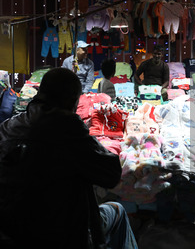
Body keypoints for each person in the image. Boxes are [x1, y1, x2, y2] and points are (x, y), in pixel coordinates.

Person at [0, 68, 138, 249]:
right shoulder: (69, 130)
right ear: (73, 101)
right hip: (61, 234)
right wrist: (82, 132)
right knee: (116, 210)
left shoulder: (8, 126)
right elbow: (111, 174)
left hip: (12, 230)